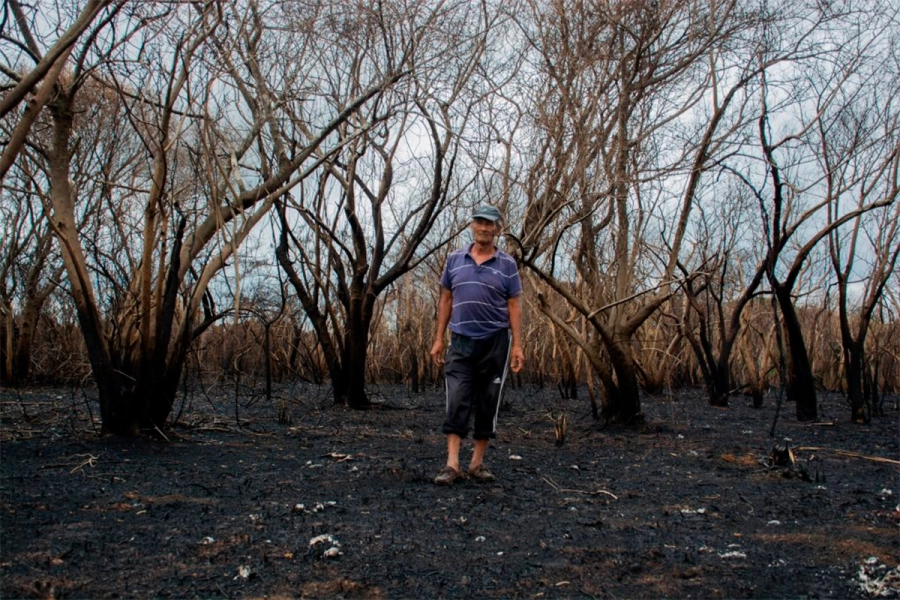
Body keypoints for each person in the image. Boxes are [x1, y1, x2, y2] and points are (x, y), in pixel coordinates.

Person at [429, 204, 525, 485]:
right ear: (472, 225)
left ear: (497, 229)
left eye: (490, 224)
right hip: (460, 339)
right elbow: (446, 300)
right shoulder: (454, 260)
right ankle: (452, 465)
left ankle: (477, 463)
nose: (484, 228)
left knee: (487, 400)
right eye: (479, 222)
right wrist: (438, 339)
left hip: (496, 341)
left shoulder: (506, 264)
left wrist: (517, 345)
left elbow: (514, 305)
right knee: (457, 397)